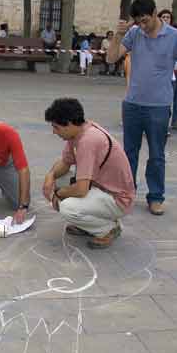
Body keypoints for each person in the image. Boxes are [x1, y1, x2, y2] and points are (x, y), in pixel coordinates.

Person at [106, 0, 177, 216]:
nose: (142, 26)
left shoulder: (175, 36)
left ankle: (155, 197)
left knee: (156, 154)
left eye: (145, 20)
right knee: (129, 154)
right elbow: (111, 58)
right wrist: (118, 35)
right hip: (133, 104)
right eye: (139, 22)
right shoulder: (135, 33)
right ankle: (127, 193)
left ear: (155, 13)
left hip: (159, 106)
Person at [42, 98, 135, 250]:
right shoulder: (78, 132)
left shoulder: (88, 141)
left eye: (56, 127)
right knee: (60, 179)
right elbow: (65, 163)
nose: (54, 131)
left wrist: (59, 194)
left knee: (67, 207)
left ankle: (107, 229)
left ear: (69, 123)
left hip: (118, 199)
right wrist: (50, 176)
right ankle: (89, 223)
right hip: (101, 188)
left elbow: (81, 189)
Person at [158, 9, 177, 131]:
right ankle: (164, 123)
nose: (166, 19)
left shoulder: (176, 34)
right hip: (168, 72)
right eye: (163, 17)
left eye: (168, 17)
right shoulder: (157, 34)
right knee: (167, 98)